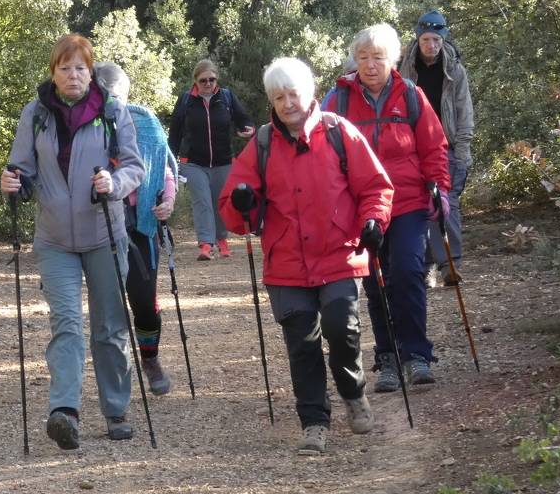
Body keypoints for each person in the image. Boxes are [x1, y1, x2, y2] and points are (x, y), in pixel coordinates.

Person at [219, 58, 393, 455]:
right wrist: (243, 203)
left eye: (293, 93)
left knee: (341, 328)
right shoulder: (261, 144)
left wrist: (374, 222)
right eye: (278, 97)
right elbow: (232, 208)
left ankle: (353, 391)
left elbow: (376, 187)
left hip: (338, 256)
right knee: (302, 344)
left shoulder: (339, 132)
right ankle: (314, 422)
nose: (287, 103)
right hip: (287, 265)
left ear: (309, 92)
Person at [0, 34, 145, 449]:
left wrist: (113, 182)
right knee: (65, 323)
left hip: (105, 233)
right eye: (64, 68)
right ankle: (65, 411)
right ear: (53, 72)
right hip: (54, 239)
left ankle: (116, 409)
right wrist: (12, 181)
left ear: (91, 70)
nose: (72, 75)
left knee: (110, 327)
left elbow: (135, 166)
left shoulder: (113, 112)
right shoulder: (37, 113)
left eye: (80, 67)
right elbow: (22, 168)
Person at [322, 23, 450, 392]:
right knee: (376, 282)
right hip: (361, 206)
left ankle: (416, 354)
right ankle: (387, 357)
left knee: (408, 272)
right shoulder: (339, 100)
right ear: (355, 61)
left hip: (407, 201)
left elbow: (433, 146)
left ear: (391, 60)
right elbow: (322, 146)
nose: (370, 64)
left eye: (377, 57)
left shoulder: (410, 95)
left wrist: (439, 190)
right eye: (363, 57)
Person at [93, 61, 179, 396]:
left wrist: (168, 201)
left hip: (140, 226)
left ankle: (150, 358)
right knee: (110, 306)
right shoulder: (84, 127)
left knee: (143, 301)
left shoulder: (145, 124)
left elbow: (164, 169)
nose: (113, 102)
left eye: (118, 96)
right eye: (106, 95)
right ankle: (116, 381)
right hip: (98, 226)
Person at [399, 10, 475, 287]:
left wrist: (463, 153)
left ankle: (450, 265)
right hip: (411, 147)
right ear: (418, 39)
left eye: (437, 40)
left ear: (444, 40)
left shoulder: (454, 70)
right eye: (426, 40)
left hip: (447, 146)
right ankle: (428, 265)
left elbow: (464, 111)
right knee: (419, 204)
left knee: (446, 203)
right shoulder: (403, 68)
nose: (431, 46)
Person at [168, 58, 255, 261]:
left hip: (223, 161)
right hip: (192, 162)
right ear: (195, 81)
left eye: (212, 80)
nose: (208, 84)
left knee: (220, 202)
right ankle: (206, 244)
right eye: (203, 80)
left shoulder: (226, 97)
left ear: (217, 80)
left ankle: (222, 240)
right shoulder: (186, 100)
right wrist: (170, 161)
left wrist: (248, 128)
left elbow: (243, 118)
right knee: (203, 202)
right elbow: (175, 133)